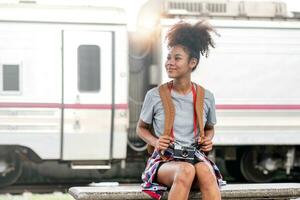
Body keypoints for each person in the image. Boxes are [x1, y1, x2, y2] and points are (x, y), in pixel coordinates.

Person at [136, 20, 225, 200]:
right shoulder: (155, 95)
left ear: (192, 63)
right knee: (186, 170)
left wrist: (207, 140)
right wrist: (156, 141)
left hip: (195, 157)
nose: (169, 62)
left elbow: (209, 128)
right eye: (169, 57)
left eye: (177, 58)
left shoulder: (206, 96)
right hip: (164, 161)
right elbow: (141, 128)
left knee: (205, 172)